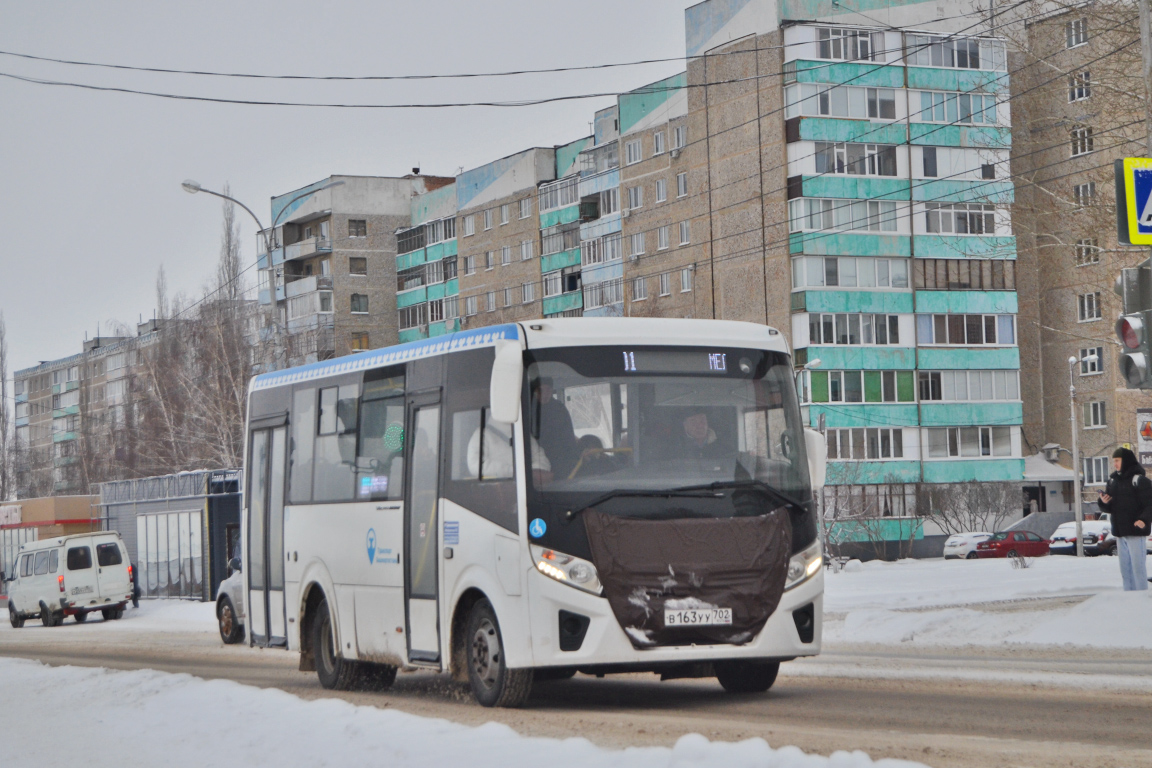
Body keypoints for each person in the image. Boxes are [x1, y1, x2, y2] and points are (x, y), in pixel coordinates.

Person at [1096, 447, 1152, 591]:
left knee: (1138, 570)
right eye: (1113, 461)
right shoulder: (1113, 481)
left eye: (1117, 461)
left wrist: (1144, 520)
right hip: (1120, 533)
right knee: (1125, 571)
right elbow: (1109, 508)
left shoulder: (1139, 480)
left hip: (1135, 531)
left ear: (1125, 461)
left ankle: (1141, 599)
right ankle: (1128, 600)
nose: (1114, 464)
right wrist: (1104, 502)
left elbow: (1149, 504)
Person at [532, 377, 579, 478]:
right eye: (541, 390)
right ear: (535, 391)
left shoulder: (559, 409)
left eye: (548, 390)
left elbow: (569, 438)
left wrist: (573, 461)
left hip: (561, 461)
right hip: (537, 462)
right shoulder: (527, 409)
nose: (545, 394)